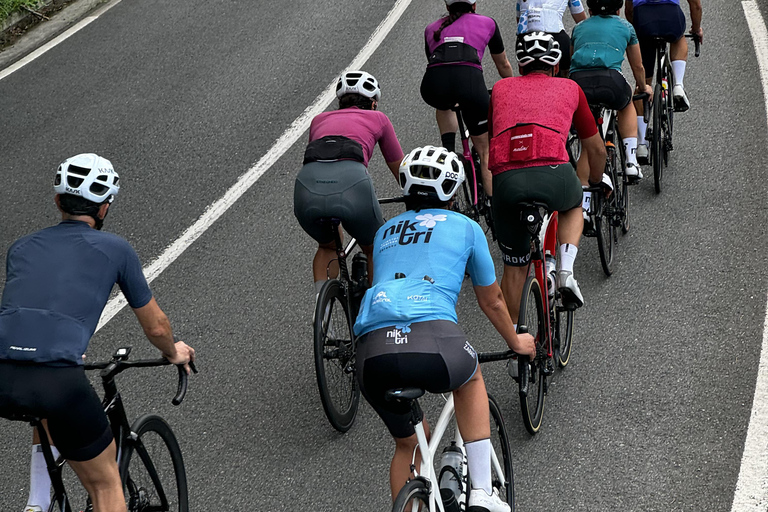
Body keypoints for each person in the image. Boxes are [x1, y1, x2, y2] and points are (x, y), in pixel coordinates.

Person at [0, 154, 195, 512]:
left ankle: (37, 503)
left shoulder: (21, 248)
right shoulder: (116, 249)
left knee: (44, 405)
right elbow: (156, 326)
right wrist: (173, 352)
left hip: (4, 372)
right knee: (105, 484)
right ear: (104, 208)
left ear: (58, 201)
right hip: (56, 379)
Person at [353, 146, 536, 512]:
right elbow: (493, 300)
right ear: (453, 191)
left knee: (408, 445)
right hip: (433, 338)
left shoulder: (386, 230)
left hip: (371, 352)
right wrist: (515, 340)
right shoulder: (467, 228)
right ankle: (483, 490)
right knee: (469, 378)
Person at [488, 32, 607, 324]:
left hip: (507, 177)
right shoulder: (570, 87)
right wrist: (594, 181)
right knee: (572, 205)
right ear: (556, 64)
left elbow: (494, 138)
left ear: (520, 62)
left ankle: (517, 343)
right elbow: (595, 149)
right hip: (553, 169)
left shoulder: (500, 89)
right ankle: (565, 271)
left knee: (514, 267)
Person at [294, 71, 404, 297]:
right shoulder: (378, 118)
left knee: (328, 245)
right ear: (373, 103)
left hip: (306, 187)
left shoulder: (318, 120)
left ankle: (323, 317)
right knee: (375, 246)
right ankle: (375, 312)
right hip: (352, 185)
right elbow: (399, 167)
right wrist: (413, 196)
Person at [421, 0, 514, 198]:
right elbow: (503, 64)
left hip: (433, 87)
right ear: (474, 6)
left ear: (447, 7)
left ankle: (447, 152)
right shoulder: (488, 22)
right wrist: (513, 86)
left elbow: (437, 64)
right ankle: (496, 214)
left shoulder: (431, 29)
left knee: (445, 103)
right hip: (470, 85)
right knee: (485, 151)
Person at [570, 0, 653, 180]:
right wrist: (643, 86)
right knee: (627, 102)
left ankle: (584, 203)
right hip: (610, 81)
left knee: (587, 146)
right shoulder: (626, 26)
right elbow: (638, 66)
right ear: (619, 8)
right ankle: (631, 160)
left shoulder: (578, 28)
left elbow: (571, 61)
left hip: (578, 84)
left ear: (590, 9)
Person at [625, 0, 703, 162]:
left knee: (643, 86)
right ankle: (678, 85)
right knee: (678, 38)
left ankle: (641, 144)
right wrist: (696, 29)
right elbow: (696, 5)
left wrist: (637, 32)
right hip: (670, 15)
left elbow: (629, 9)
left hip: (643, 18)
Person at [516, 0, 588, 77]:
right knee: (565, 77)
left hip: (526, 38)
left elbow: (519, 19)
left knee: (527, 76)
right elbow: (582, 23)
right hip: (556, 36)